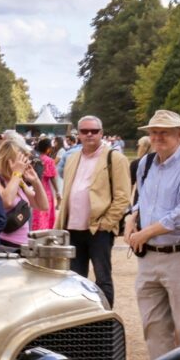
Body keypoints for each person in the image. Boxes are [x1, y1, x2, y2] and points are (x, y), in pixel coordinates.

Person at [123, 111, 180, 353]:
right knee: (153, 330)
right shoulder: (146, 163)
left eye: (164, 132)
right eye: (154, 132)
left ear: (179, 135)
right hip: (150, 258)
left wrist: (145, 233)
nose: (158, 137)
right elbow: (144, 200)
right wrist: (131, 219)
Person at [54, 116, 131, 302]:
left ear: (101, 133)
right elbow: (68, 191)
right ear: (78, 134)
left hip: (99, 229)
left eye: (94, 131)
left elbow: (123, 196)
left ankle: (104, 324)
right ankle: (79, 323)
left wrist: (107, 223)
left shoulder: (115, 158)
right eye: (84, 131)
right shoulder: (72, 158)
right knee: (73, 280)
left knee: (102, 278)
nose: (89, 134)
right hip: (72, 228)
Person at [0, 137, 42, 248]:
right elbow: (6, 201)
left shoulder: (18, 180)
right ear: (9, 160)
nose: (25, 164)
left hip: (22, 244)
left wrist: (36, 181)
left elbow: (42, 205)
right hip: (2, 243)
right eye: (22, 160)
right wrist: (17, 173)